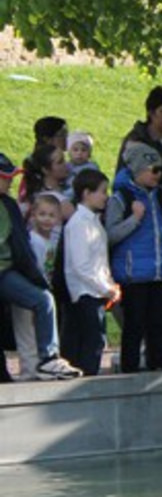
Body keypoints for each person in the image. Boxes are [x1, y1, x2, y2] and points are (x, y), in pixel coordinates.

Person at [0, 154, 80, 381]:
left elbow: (20, 244)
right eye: (6, 177)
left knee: (43, 299)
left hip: (6, 272)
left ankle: (48, 359)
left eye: (11, 176)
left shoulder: (8, 205)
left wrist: (34, 276)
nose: (11, 181)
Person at [106, 143, 162, 372]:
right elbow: (110, 235)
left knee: (159, 321)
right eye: (154, 170)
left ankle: (157, 362)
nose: (159, 175)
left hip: (161, 270)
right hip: (134, 272)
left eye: (161, 170)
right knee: (135, 322)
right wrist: (135, 219)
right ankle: (130, 365)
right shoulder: (121, 198)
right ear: (138, 170)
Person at [62, 169, 118, 376]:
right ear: (86, 193)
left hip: (95, 290)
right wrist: (105, 287)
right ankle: (88, 376)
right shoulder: (79, 223)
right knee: (92, 340)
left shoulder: (92, 221)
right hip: (86, 291)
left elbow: (99, 260)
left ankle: (89, 373)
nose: (105, 196)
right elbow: (81, 265)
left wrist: (109, 285)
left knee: (96, 339)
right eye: (102, 191)